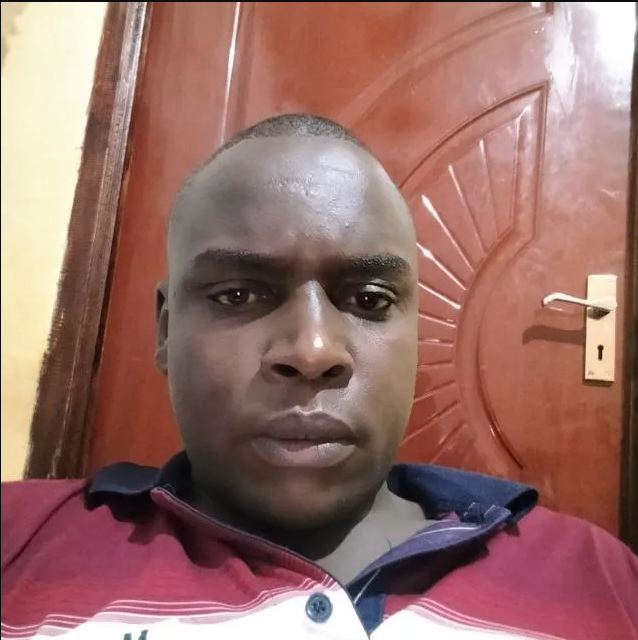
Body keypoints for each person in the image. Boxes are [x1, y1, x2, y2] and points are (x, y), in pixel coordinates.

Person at [2, 113, 637, 640]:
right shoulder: (20, 541)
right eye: (236, 295)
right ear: (166, 331)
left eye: (368, 300)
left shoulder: (599, 580)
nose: (311, 352)